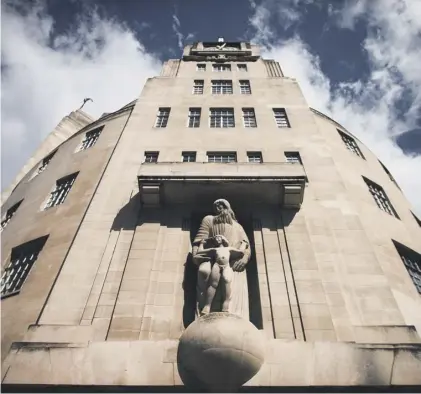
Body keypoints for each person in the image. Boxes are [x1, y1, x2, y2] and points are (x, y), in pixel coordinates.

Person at [192, 199, 251, 315]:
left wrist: (244, 259)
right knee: (205, 273)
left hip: (232, 263)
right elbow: (199, 241)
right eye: (216, 207)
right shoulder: (209, 220)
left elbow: (246, 246)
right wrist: (196, 255)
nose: (218, 208)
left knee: (228, 281)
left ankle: (227, 308)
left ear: (227, 207)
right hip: (212, 259)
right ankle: (206, 308)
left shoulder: (238, 226)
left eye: (221, 206)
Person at [194, 235, 245, 315]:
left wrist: (244, 244)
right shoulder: (215, 249)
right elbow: (200, 251)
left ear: (223, 239)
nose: (217, 239)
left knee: (226, 282)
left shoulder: (229, 248)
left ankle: (225, 306)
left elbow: (241, 252)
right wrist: (201, 244)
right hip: (217, 265)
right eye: (215, 238)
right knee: (213, 284)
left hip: (226, 266)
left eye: (219, 238)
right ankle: (207, 306)